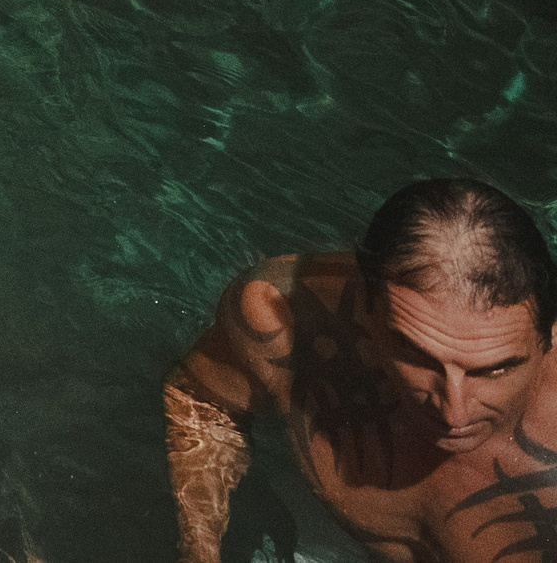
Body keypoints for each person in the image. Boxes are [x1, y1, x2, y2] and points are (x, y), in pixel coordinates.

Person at [164, 176, 557, 563]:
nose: (454, 412)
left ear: (549, 336)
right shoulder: (279, 318)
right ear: (367, 311)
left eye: (494, 370)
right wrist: (200, 547)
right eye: (418, 357)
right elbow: (201, 404)